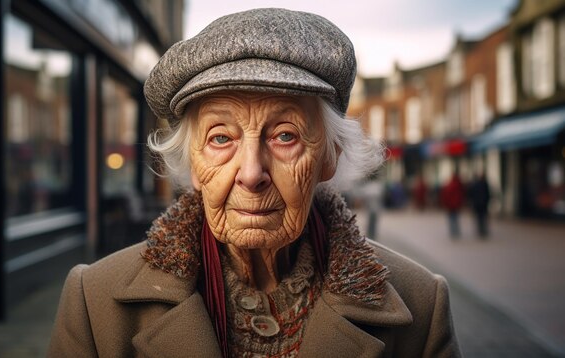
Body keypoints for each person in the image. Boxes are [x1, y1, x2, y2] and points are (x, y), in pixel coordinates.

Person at [48, 8, 460, 357]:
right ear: (193, 162)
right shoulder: (95, 302)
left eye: (285, 135)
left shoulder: (420, 306)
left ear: (330, 157)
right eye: (220, 138)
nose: (250, 173)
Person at [441, 172, 465, 238]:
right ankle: (456, 232)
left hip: (451, 205)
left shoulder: (449, 185)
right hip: (456, 205)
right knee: (455, 218)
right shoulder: (459, 185)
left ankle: (453, 232)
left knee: (452, 219)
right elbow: (461, 195)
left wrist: (446, 204)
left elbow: (446, 195)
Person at [469, 173, 491, 238]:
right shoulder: (485, 184)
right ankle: (483, 230)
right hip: (483, 204)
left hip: (477, 204)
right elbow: (488, 194)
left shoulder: (475, 184)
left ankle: (480, 230)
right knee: (483, 217)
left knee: (479, 218)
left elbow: (471, 194)